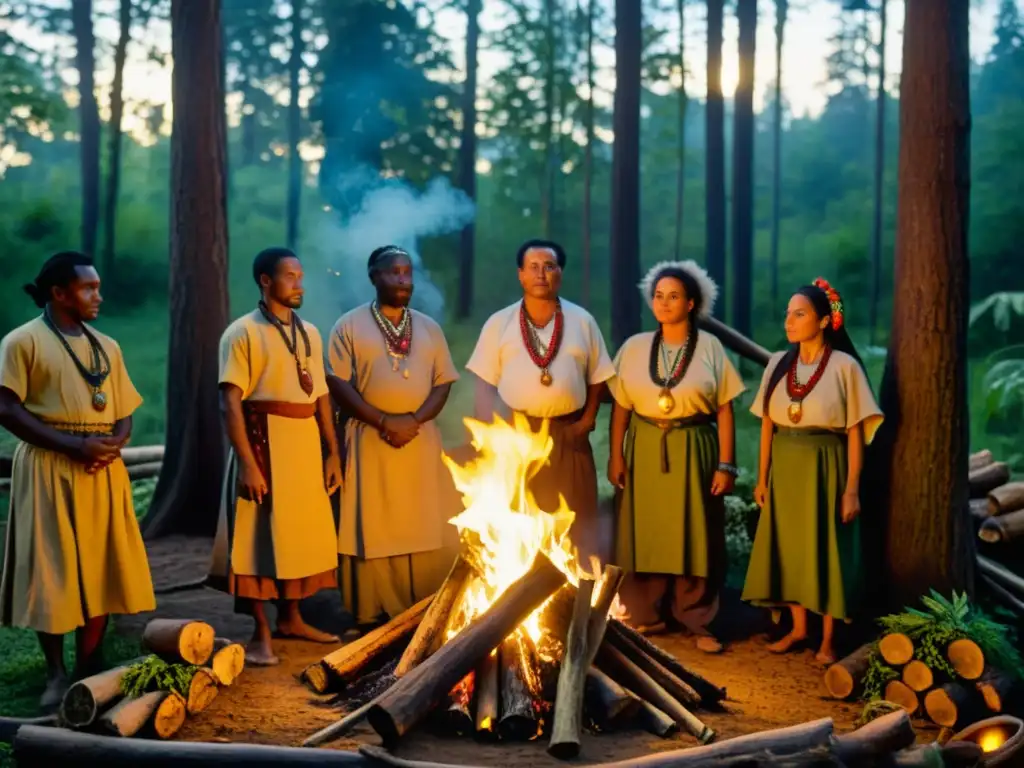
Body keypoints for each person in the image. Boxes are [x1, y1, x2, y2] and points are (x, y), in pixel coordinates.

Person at [0, 251, 155, 710]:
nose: (98, 296)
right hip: (49, 467)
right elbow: (6, 408)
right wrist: (73, 446)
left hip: (101, 470)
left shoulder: (107, 346)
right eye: (89, 288)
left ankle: (88, 668)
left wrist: (112, 444)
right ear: (59, 293)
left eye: (98, 287)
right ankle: (55, 671)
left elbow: (123, 409)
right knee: (53, 570)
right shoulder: (22, 342)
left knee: (101, 566)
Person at [208, 247, 342, 665]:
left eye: (301, 276)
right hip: (262, 441)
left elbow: (321, 394)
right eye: (289, 276)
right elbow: (230, 402)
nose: (299, 283)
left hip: (304, 444)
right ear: (265, 281)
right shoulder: (242, 332)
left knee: (299, 535)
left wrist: (332, 452)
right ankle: (260, 633)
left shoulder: (310, 332)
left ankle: (292, 619)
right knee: (258, 538)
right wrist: (247, 463)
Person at [741, 278, 883, 665]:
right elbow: (768, 424)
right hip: (786, 460)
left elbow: (855, 432)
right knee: (788, 545)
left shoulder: (844, 366)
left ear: (823, 321)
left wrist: (851, 488)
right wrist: (762, 477)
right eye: (788, 314)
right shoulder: (778, 364)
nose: (789, 321)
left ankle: (828, 639)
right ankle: (798, 628)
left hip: (826, 462)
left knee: (826, 546)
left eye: (799, 313)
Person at [606, 261, 744, 652]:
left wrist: (726, 464)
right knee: (644, 530)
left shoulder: (710, 348)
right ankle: (644, 614)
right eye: (659, 296)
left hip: (693, 444)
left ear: (691, 303)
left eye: (674, 296)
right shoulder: (634, 347)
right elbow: (619, 409)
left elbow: (726, 409)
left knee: (694, 529)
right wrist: (616, 456)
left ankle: (696, 617)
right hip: (645, 445)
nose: (664, 303)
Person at [327, 245, 460, 633]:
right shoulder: (348, 326)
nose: (403, 279)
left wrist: (414, 419)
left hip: (419, 439)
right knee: (373, 521)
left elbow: (443, 382)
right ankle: (370, 613)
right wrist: (384, 420)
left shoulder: (428, 327)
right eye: (393, 273)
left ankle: (420, 609)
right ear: (374, 277)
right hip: (368, 437)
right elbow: (338, 383)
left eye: (407, 272)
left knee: (419, 518)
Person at [465, 239, 615, 566]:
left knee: (578, 520)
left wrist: (587, 421)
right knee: (521, 519)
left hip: (569, 433)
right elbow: (483, 383)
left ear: (560, 273)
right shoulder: (499, 323)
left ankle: (579, 595)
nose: (541, 274)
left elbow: (600, 376)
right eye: (533, 267)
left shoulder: (582, 321)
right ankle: (522, 592)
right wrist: (487, 436)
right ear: (520, 275)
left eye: (549, 266)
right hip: (518, 437)